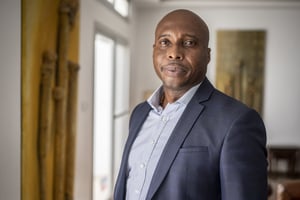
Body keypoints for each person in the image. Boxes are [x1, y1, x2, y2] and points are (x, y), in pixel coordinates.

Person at [114, 9, 268, 200]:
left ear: (208, 55)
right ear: (154, 50)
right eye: (165, 42)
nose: (174, 53)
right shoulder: (140, 113)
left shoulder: (237, 122)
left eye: (188, 43)